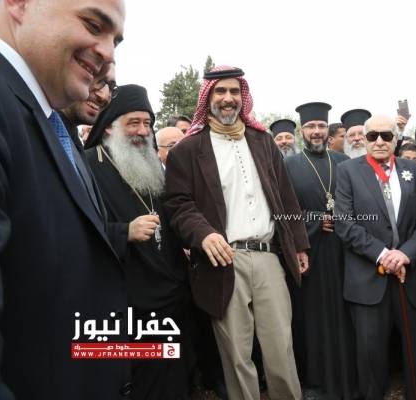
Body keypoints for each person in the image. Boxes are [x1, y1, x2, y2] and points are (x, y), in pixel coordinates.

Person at [0, 0, 130, 399]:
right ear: (19, 4)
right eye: (93, 24)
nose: (108, 55)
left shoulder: (52, 124)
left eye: (115, 40)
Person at [163, 65, 309, 400]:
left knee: (281, 349)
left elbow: (285, 196)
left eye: (233, 91)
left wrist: (299, 244)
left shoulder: (263, 141)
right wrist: (203, 233)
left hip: (269, 258)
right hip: (222, 262)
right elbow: (178, 203)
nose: (227, 98)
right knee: (237, 356)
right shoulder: (187, 150)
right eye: (220, 91)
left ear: (243, 96)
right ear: (208, 97)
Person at [84, 84, 197, 400]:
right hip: (126, 296)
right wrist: (124, 232)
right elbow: (74, 230)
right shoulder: (87, 164)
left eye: (147, 123)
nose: (143, 131)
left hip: (168, 289)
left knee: (173, 376)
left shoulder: (152, 166)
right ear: (108, 126)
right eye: (133, 122)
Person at [335, 114, 416, 400]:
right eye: (372, 136)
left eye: (386, 135)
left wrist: (405, 254)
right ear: (365, 140)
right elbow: (344, 223)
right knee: (370, 351)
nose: (379, 141)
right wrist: (383, 255)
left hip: (410, 274)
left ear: (396, 139)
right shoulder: (347, 171)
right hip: (367, 277)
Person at [284, 102, 357, 399]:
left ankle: (350, 378)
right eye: (311, 126)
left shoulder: (344, 162)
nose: (316, 131)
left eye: (321, 126)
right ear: (302, 131)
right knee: (313, 318)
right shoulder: (288, 165)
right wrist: (315, 219)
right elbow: (282, 211)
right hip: (310, 252)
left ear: (328, 129)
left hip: (345, 251)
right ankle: (315, 381)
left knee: (346, 313)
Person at [60, 63, 117, 144]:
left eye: (111, 87)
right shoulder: (42, 128)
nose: (104, 96)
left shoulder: (73, 145)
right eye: (97, 79)